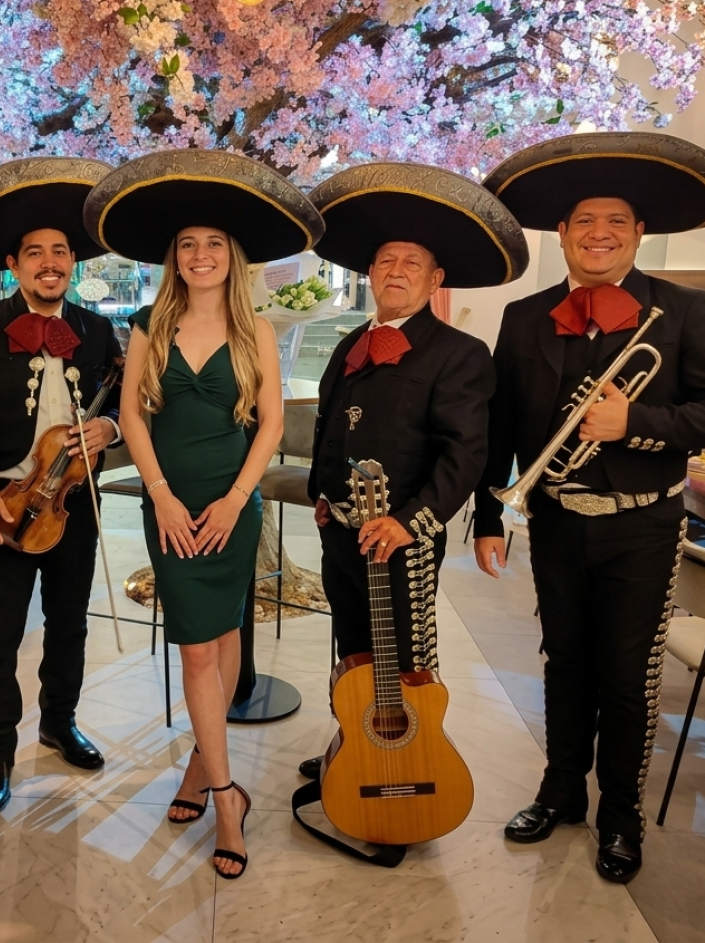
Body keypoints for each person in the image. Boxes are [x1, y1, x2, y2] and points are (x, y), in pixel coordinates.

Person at [473, 132, 705, 884]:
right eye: (584, 222)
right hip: (556, 518)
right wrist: (487, 515)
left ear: (638, 233)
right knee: (564, 660)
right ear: (563, 233)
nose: (599, 234)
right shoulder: (524, 315)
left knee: (628, 676)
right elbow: (501, 424)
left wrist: (633, 422)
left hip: (644, 522)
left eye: (615, 222)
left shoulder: (684, 311)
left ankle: (621, 816)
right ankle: (562, 791)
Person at [86, 150, 323, 878]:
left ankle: (200, 771)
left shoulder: (258, 332)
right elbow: (132, 415)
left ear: (232, 256)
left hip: (232, 506)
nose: (200, 255)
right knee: (195, 648)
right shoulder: (149, 326)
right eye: (187, 244)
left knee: (222, 639)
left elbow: (271, 426)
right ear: (174, 258)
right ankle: (228, 796)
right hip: (170, 508)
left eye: (213, 243)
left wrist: (235, 499)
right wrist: (159, 493)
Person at [297, 162, 528, 786]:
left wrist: (408, 522)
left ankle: (404, 760)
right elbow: (331, 425)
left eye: (411, 263)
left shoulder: (460, 354)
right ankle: (354, 744)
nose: (395, 271)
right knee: (352, 651)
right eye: (386, 261)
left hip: (404, 539)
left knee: (405, 661)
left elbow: (465, 454)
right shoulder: (351, 342)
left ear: (435, 279)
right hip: (342, 534)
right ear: (370, 272)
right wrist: (322, 494)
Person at [0, 158, 122, 815]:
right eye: (35, 252)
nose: (50, 262)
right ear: (14, 264)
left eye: (60, 251)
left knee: (70, 625)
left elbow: (126, 405)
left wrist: (111, 429)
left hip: (74, 505)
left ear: (73, 263)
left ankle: (59, 722)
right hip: (6, 507)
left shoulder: (96, 329)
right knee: (0, 634)